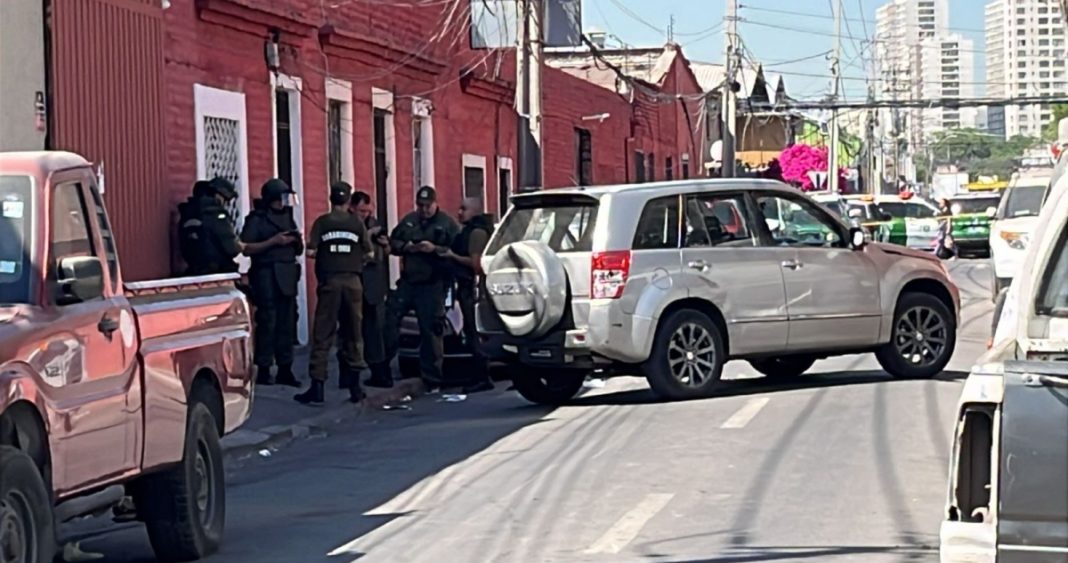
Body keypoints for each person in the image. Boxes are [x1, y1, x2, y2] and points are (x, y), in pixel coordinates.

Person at [296, 182, 372, 405]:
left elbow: (310, 251)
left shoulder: (323, 222)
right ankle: (356, 387)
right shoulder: (357, 223)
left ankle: (317, 387)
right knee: (354, 333)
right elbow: (369, 252)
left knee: (323, 334)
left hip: (330, 283)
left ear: (331, 199)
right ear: (349, 201)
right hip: (353, 282)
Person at [382, 186, 459, 389]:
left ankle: (432, 378)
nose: (424, 209)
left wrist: (435, 249)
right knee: (389, 320)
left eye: (428, 205)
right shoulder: (409, 221)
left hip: (432, 284)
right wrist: (408, 247)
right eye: (420, 205)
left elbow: (458, 251)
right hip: (408, 282)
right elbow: (393, 243)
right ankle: (382, 369)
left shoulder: (447, 224)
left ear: (435, 203)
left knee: (431, 331)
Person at [241, 179, 303, 387]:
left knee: (287, 321)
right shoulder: (257, 219)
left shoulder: (287, 217)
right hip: (266, 274)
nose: (283, 204)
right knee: (268, 322)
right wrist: (273, 242)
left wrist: (296, 240)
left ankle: (286, 368)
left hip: (287, 275)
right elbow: (246, 247)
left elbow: (298, 248)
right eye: (279, 200)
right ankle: (265, 368)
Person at [443, 197, 494, 393]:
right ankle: (479, 374)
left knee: (474, 333)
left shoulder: (477, 233)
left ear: (475, 211)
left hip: (472, 290)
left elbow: (476, 265)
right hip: (467, 289)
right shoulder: (471, 230)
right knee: (470, 332)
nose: (459, 212)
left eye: (464, 209)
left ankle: (482, 376)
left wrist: (451, 256)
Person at [345, 190, 393, 389]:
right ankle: (349, 375)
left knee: (375, 331)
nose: (364, 215)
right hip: (354, 282)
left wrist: (385, 244)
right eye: (361, 211)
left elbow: (387, 252)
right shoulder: (346, 225)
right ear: (352, 208)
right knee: (351, 331)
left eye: (367, 210)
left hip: (374, 284)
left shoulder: (375, 225)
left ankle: (379, 372)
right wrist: (366, 235)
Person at [177, 177, 242, 276]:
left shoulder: (188, 212)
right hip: (218, 272)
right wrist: (240, 246)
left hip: (194, 271)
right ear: (218, 195)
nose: (226, 204)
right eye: (226, 199)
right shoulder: (215, 214)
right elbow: (231, 249)